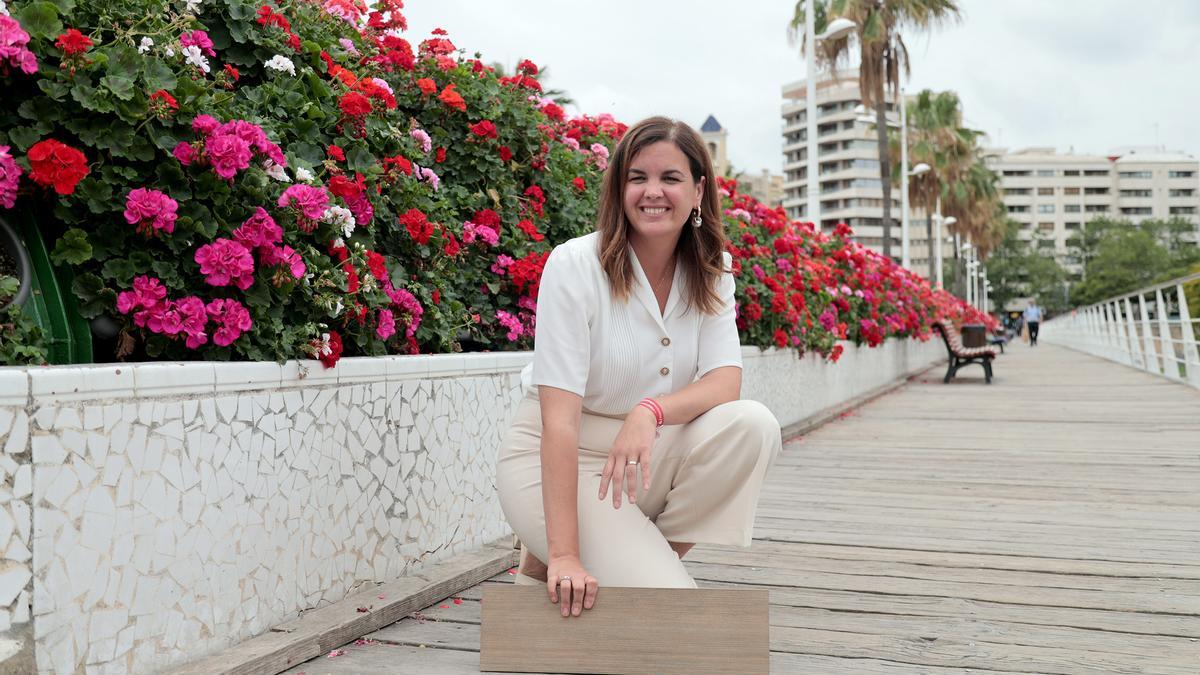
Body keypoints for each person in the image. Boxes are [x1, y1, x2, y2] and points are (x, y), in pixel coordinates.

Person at [495, 116, 782, 619]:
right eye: (637, 178)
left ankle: (639, 555)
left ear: (698, 191)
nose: (653, 192)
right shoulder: (574, 265)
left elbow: (725, 381)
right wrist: (566, 553)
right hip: (565, 459)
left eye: (670, 178)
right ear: (619, 188)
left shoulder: (714, 270)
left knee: (753, 426)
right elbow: (557, 422)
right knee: (671, 613)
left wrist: (649, 411)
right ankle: (557, 547)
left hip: (641, 456)